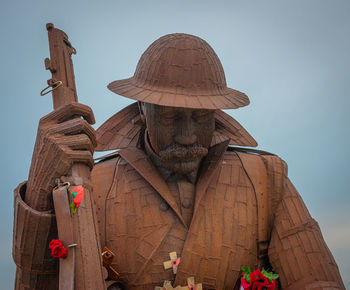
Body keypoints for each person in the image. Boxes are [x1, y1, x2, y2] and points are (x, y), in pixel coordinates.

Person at [13, 33, 345, 289]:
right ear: (142, 109)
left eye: (201, 117)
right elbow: (39, 280)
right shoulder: (92, 186)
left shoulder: (267, 178)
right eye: (171, 117)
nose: (187, 136)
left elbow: (317, 279)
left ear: (218, 112)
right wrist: (41, 185)